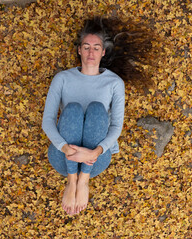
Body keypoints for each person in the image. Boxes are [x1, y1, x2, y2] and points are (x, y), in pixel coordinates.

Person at [42, 17, 135, 215]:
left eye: (95, 47)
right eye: (86, 47)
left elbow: (116, 125)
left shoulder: (114, 83)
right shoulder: (63, 78)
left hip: (96, 160)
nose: (90, 52)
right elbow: (47, 121)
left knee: (97, 109)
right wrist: (66, 149)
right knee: (74, 109)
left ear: (103, 52)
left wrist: (94, 153)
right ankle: (71, 180)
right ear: (79, 50)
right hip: (62, 156)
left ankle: (83, 181)